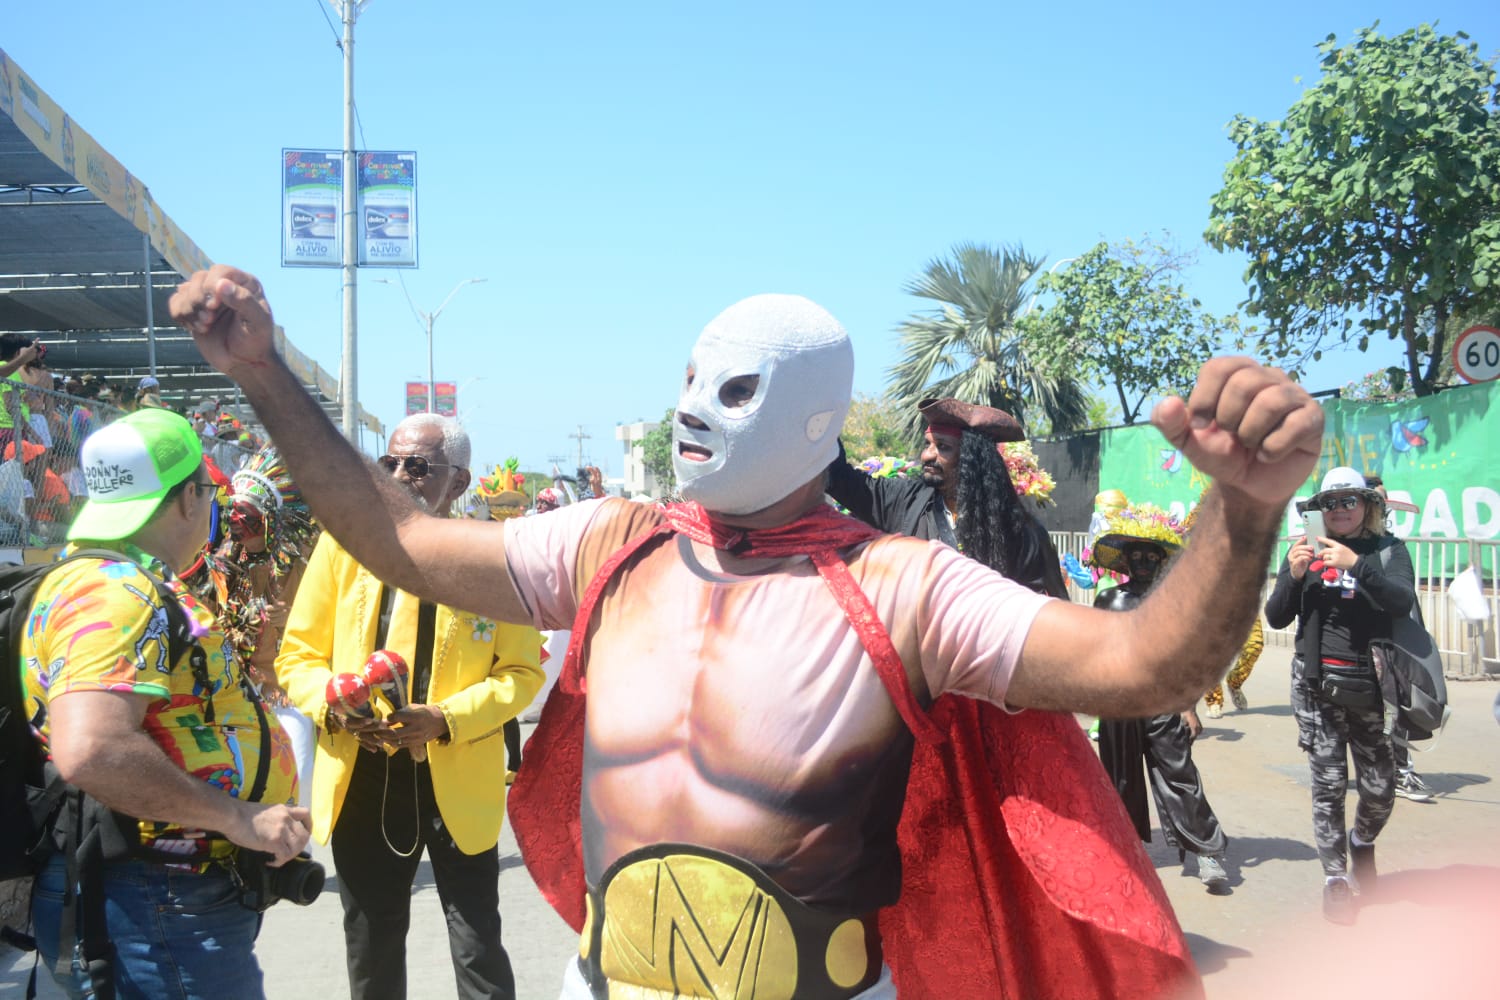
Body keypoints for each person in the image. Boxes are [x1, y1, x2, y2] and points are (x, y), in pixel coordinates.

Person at [171, 265, 1324, 1000]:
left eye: (733, 391)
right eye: (688, 377)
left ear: (816, 418)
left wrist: (1245, 509)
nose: (690, 409)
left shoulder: (907, 588)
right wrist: (264, 375)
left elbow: (1143, 664)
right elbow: (398, 541)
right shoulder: (606, 545)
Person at [20, 408, 309, 999]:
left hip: (158, 896)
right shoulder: (116, 591)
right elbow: (93, 747)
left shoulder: (110, 578)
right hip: (156, 898)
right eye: (208, 492)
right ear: (187, 498)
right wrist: (239, 818)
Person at [275, 413, 544, 1000]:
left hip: (458, 779)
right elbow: (296, 657)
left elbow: (522, 674)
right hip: (362, 774)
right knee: (370, 941)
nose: (397, 475)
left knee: (478, 946)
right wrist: (336, 705)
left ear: (459, 482)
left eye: (416, 466)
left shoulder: (494, 557)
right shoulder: (342, 543)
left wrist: (446, 720)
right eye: (388, 462)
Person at [1264, 466, 1413, 924]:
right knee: (1327, 788)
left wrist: (1356, 566)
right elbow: (1275, 617)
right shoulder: (1305, 552)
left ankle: (1362, 843)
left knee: (1380, 789)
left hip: (1372, 690)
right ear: (1319, 511)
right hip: (1317, 689)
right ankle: (1334, 878)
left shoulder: (1387, 550)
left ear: (1366, 506)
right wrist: (1291, 576)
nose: (1340, 510)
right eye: (1330, 503)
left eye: (1349, 501)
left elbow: (1401, 601)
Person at [1090, 502, 1231, 892]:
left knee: (1181, 776)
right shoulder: (1109, 600)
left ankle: (1207, 852)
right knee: (1117, 781)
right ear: (1125, 561)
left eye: (1151, 556)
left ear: (1161, 560)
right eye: (1136, 556)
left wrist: (1189, 706)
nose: (1143, 563)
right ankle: (1122, 850)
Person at [827, 396, 1068, 597]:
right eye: (928, 444)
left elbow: (1045, 608)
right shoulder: (905, 501)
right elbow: (840, 480)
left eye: (942, 447)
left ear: (970, 461)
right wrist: (822, 416)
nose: (927, 456)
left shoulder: (1020, 531)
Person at [1360, 472, 1435, 803]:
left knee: (1396, 705)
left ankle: (1401, 771)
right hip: (1344, 654)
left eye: (1384, 501)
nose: (1382, 507)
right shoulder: (1331, 546)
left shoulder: (1392, 548)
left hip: (1389, 647)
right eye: (1376, 500)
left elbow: (1403, 595)